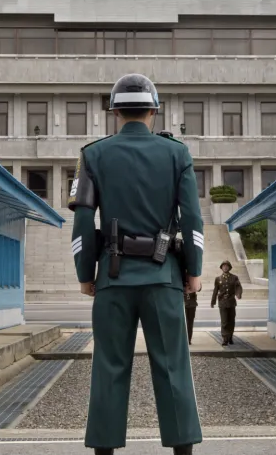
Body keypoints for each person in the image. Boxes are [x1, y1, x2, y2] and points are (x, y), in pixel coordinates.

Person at [68, 73, 203, 455]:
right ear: (154, 110)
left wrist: (85, 273)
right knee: (172, 367)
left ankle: (105, 451)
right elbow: (192, 218)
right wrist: (193, 271)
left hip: (113, 277)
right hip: (163, 277)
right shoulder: (177, 153)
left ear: (115, 112)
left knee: (109, 367)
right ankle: (182, 451)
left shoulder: (93, 154)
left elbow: (82, 219)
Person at [210, 260, 242, 346]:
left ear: (229, 267)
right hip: (222, 303)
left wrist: (238, 294)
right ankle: (225, 338)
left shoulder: (234, 278)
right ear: (221, 268)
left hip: (231, 302)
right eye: (223, 266)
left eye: (227, 266)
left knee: (231, 321)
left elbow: (238, 287)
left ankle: (230, 337)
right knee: (224, 321)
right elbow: (215, 291)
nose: (225, 267)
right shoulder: (218, 279)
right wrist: (213, 301)